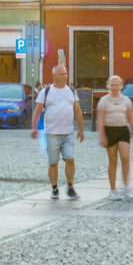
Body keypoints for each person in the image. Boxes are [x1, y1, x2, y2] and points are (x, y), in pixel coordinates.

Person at [30, 65, 85, 199]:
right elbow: (37, 110)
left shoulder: (71, 91)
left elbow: (77, 110)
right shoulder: (46, 91)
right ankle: (54, 188)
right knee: (53, 162)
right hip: (52, 133)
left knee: (70, 159)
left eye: (65, 73)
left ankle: (70, 186)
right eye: (61, 74)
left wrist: (81, 129)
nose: (65, 76)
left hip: (68, 132)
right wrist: (34, 128)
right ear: (54, 76)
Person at [96, 75, 133, 200]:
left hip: (122, 130)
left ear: (121, 86)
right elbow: (99, 120)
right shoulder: (104, 101)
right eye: (112, 84)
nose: (114, 87)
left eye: (117, 85)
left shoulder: (126, 100)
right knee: (113, 161)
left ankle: (127, 188)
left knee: (125, 159)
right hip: (109, 129)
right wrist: (102, 135)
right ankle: (113, 190)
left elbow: (131, 118)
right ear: (108, 86)